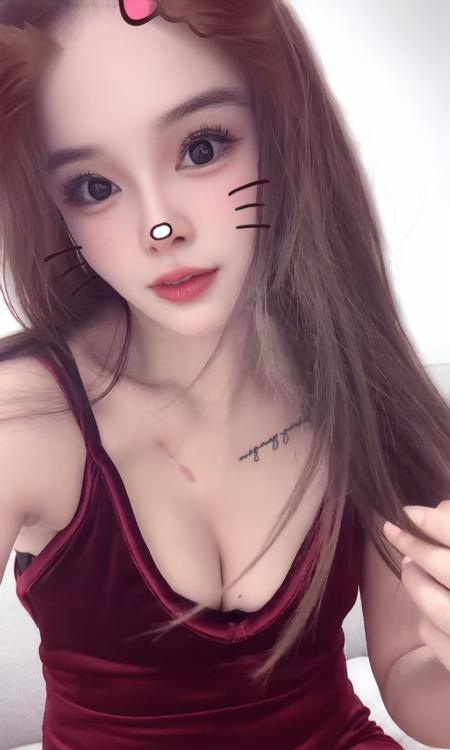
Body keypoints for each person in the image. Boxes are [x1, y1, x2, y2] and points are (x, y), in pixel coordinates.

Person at [0, 1, 449, 748]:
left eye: (202, 148)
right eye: (94, 186)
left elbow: (410, 677)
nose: (160, 226)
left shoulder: (357, 387)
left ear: (283, 132)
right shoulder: (24, 419)